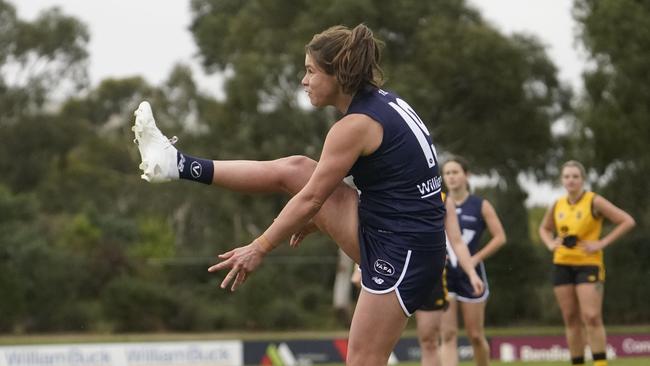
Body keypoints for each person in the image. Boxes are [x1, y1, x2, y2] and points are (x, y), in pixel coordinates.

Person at [133, 24, 449, 366]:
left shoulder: (354, 126)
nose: (304, 80)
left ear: (338, 74)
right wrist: (320, 221)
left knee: (362, 361)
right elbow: (391, 182)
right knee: (297, 169)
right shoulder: (384, 104)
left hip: (403, 250)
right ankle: (176, 164)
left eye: (311, 71)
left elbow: (313, 199)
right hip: (397, 232)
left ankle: (175, 164)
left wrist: (260, 247)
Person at [538, 160, 635, 366]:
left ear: (582, 179)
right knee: (571, 318)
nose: (571, 180)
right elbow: (544, 228)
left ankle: (600, 363)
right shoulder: (558, 204)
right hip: (562, 264)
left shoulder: (594, 201)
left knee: (591, 316)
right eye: (566, 177)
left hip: (588, 264)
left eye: (575, 176)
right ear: (562, 180)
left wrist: (602, 242)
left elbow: (627, 221)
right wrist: (549, 243)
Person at [438, 156, 507, 366]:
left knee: (475, 335)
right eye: (447, 173)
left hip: (470, 273)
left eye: (455, 172)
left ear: (467, 175)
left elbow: (500, 237)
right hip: (444, 273)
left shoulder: (480, 205)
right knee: (448, 335)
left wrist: (475, 258)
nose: (451, 177)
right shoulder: (438, 202)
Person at [415, 194, 484, 366]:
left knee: (429, 341)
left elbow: (457, 241)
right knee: (380, 342)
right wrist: (361, 267)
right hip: (391, 273)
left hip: (430, 276)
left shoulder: (442, 198)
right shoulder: (390, 187)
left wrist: (472, 273)